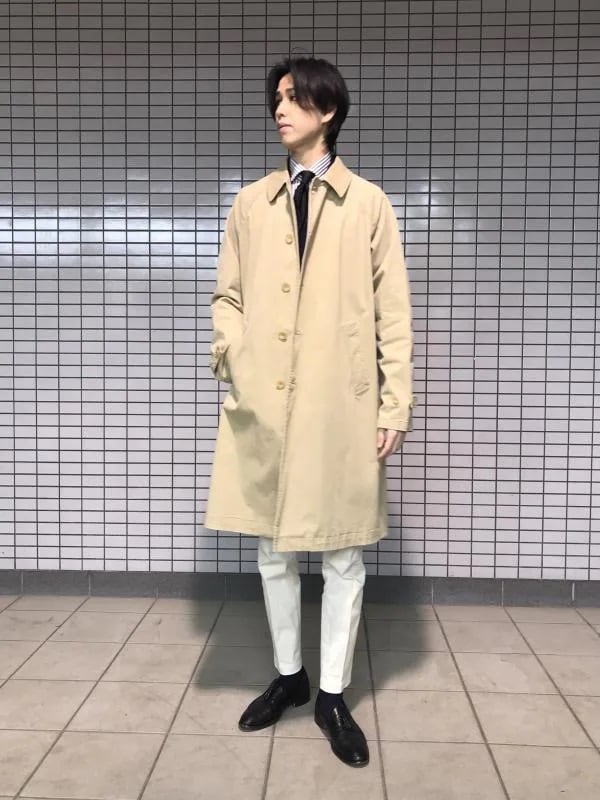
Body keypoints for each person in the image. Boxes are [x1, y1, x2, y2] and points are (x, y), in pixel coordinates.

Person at [204, 56, 415, 768]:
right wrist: (234, 355)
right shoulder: (250, 204)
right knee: (272, 546)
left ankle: (331, 695)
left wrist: (394, 404)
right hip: (267, 401)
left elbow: (394, 315)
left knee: (344, 551)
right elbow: (228, 296)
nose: (279, 109)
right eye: (277, 99)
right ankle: (289, 675)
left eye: (294, 98)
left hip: (339, 405)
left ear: (328, 111)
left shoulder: (369, 205)